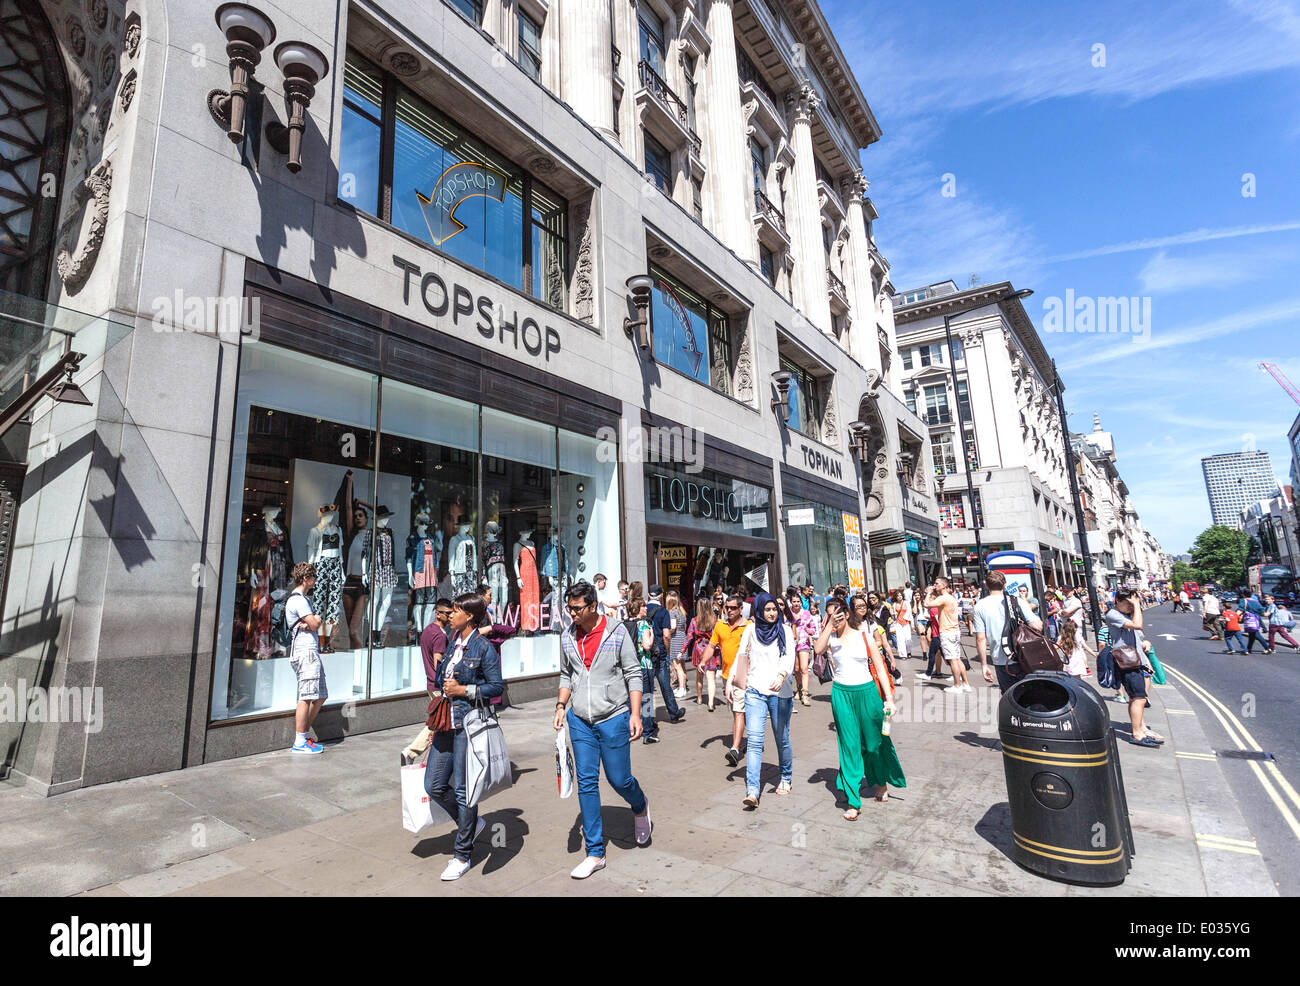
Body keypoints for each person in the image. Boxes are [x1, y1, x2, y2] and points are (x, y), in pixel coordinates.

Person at [555, 580, 651, 879]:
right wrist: (560, 706)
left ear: (593, 606)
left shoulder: (616, 632)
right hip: (580, 720)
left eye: (577, 609)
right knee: (586, 782)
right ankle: (595, 852)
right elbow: (566, 674)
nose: (572, 614)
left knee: (619, 779)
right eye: (569, 608)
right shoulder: (567, 637)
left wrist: (636, 714)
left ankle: (640, 805)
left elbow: (634, 672)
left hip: (614, 717)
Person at [425, 592, 504, 881]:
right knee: (433, 785)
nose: (450, 615)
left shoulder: (483, 648)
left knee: (462, 790)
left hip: (468, 725)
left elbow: (497, 687)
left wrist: (465, 691)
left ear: (469, 616)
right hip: (446, 721)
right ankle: (469, 823)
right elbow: (439, 681)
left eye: (455, 611)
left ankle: (462, 854)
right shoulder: (450, 643)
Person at [814, 597, 904, 818]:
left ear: (847, 613)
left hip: (867, 693)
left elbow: (881, 670)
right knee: (849, 745)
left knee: (873, 744)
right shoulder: (831, 639)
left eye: (839, 613)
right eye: (831, 613)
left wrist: (890, 700)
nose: (836, 617)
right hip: (841, 694)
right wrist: (828, 625)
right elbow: (817, 649)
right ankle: (853, 801)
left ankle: (881, 782)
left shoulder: (864, 635)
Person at [727, 592, 795, 809]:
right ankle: (753, 791)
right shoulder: (750, 630)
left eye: (774, 609)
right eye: (767, 609)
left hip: (780, 693)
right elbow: (740, 656)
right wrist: (731, 681)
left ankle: (786, 776)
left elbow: (789, 656)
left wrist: (782, 675)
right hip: (755, 691)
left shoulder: (784, 630)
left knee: (781, 737)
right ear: (758, 611)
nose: (772, 613)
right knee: (755, 741)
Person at [1104, 589, 1163, 748]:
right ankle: (1137, 734)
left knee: (1139, 698)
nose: (1131, 607)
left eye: (1133, 604)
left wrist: (1145, 645)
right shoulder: (1113, 614)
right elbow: (1138, 625)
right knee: (1138, 697)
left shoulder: (1124, 615)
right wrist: (1136, 604)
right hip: (1127, 662)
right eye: (1128, 604)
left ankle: (1141, 728)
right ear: (1117, 601)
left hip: (1137, 660)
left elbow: (1138, 634)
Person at [699, 594, 751, 766]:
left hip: (745, 677)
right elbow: (712, 646)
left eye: (733, 608)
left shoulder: (749, 626)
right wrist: (703, 661)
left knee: (738, 711)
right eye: (727, 607)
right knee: (737, 711)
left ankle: (735, 748)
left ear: (740, 609)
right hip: (727, 677)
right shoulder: (720, 626)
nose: (729, 610)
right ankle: (749, 739)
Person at [402, 597, 453, 764]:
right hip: (438, 684)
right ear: (438, 614)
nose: (450, 616)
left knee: (440, 721)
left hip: (431, 683)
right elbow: (438, 661)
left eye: (452, 613)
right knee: (438, 722)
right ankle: (411, 752)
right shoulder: (439, 635)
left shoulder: (427, 630)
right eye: (447, 613)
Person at [973, 570, 1042, 692]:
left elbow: (980, 639)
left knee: (1010, 697)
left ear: (987, 585)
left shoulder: (980, 606)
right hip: (1023, 656)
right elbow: (1037, 626)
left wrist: (984, 665)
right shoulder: (1016, 601)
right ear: (1004, 585)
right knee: (1029, 695)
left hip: (1001, 660)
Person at [286, 562, 327, 754]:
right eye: (313, 577)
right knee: (307, 696)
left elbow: (312, 623)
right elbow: (315, 623)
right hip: (305, 651)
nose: (315, 580)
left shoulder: (303, 599)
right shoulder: (299, 600)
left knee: (320, 695)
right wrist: (315, 620)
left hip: (310, 650)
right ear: (305, 579)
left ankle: (304, 735)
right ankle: (300, 741)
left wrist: (313, 621)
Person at [644, 585, 686, 726]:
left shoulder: (643, 610)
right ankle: (673, 713)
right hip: (660, 651)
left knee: (647, 688)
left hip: (645, 653)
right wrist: (667, 651)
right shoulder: (663, 612)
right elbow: (667, 635)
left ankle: (648, 719)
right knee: (665, 685)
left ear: (649, 595)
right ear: (661, 596)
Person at [925, 579, 970, 693]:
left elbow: (927, 604)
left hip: (947, 631)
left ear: (944, 586)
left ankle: (957, 685)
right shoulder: (951, 597)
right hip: (954, 631)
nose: (935, 585)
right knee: (957, 658)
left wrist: (929, 593)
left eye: (937, 583)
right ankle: (965, 683)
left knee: (953, 660)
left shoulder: (943, 598)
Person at [686, 598, 720, 709]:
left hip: (699, 649)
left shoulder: (694, 621)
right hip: (711, 649)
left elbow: (689, 637)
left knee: (699, 677)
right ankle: (711, 703)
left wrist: (682, 650)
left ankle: (700, 698)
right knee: (711, 678)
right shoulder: (715, 621)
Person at [787, 589, 818, 707]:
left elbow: (813, 627)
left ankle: (805, 694)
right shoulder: (788, 613)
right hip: (791, 643)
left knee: (804, 668)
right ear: (791, 602)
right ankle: (799, 688)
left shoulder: (806, 613)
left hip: (804, 642)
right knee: (796, 669)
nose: (796, 604)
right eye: (794, 601)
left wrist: (810, 631)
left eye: (798, 601)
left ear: (801, 602)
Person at [666, 590, 690, 697]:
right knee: (682, 665)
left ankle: (681, 688)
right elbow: (684, 626)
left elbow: (673, 627)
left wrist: (667, 632)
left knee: (677, 666)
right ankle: (683, 687)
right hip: (682, 637)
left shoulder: (671, 612)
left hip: (675, 639)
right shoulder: (681, 612)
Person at [891, 589, 914, 659]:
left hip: (906, 622)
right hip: (898, 623)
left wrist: (912, 624)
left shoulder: (906, 603)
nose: (899, 597)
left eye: (900, 595)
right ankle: (903, 655)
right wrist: (893, 613)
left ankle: (908, 651)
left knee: (908, 639)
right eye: (898, 596)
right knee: (900, 639)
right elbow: (892, 614)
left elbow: (910, 614)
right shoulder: (894, 604)